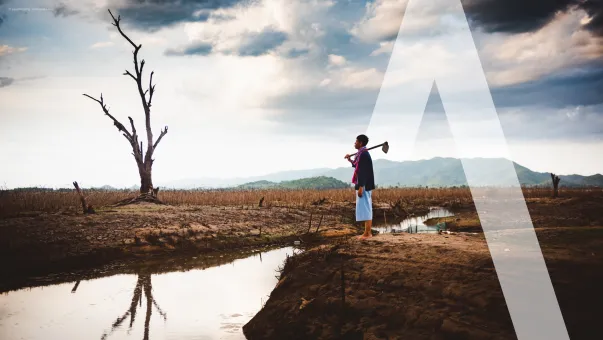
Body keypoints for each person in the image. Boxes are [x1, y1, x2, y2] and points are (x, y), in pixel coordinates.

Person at [345, 134, 375, 240]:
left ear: (361, 143)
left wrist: (361, 186)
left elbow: (363, 172)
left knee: (366, 207)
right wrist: (349, 159)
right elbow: (357, 166)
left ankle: (368, 233)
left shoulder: (364, 154)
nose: (355, 143)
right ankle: (366, 232)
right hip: (363, 184)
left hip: (364, 185)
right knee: (365, 207)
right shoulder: (361, 154)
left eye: (356, 141)